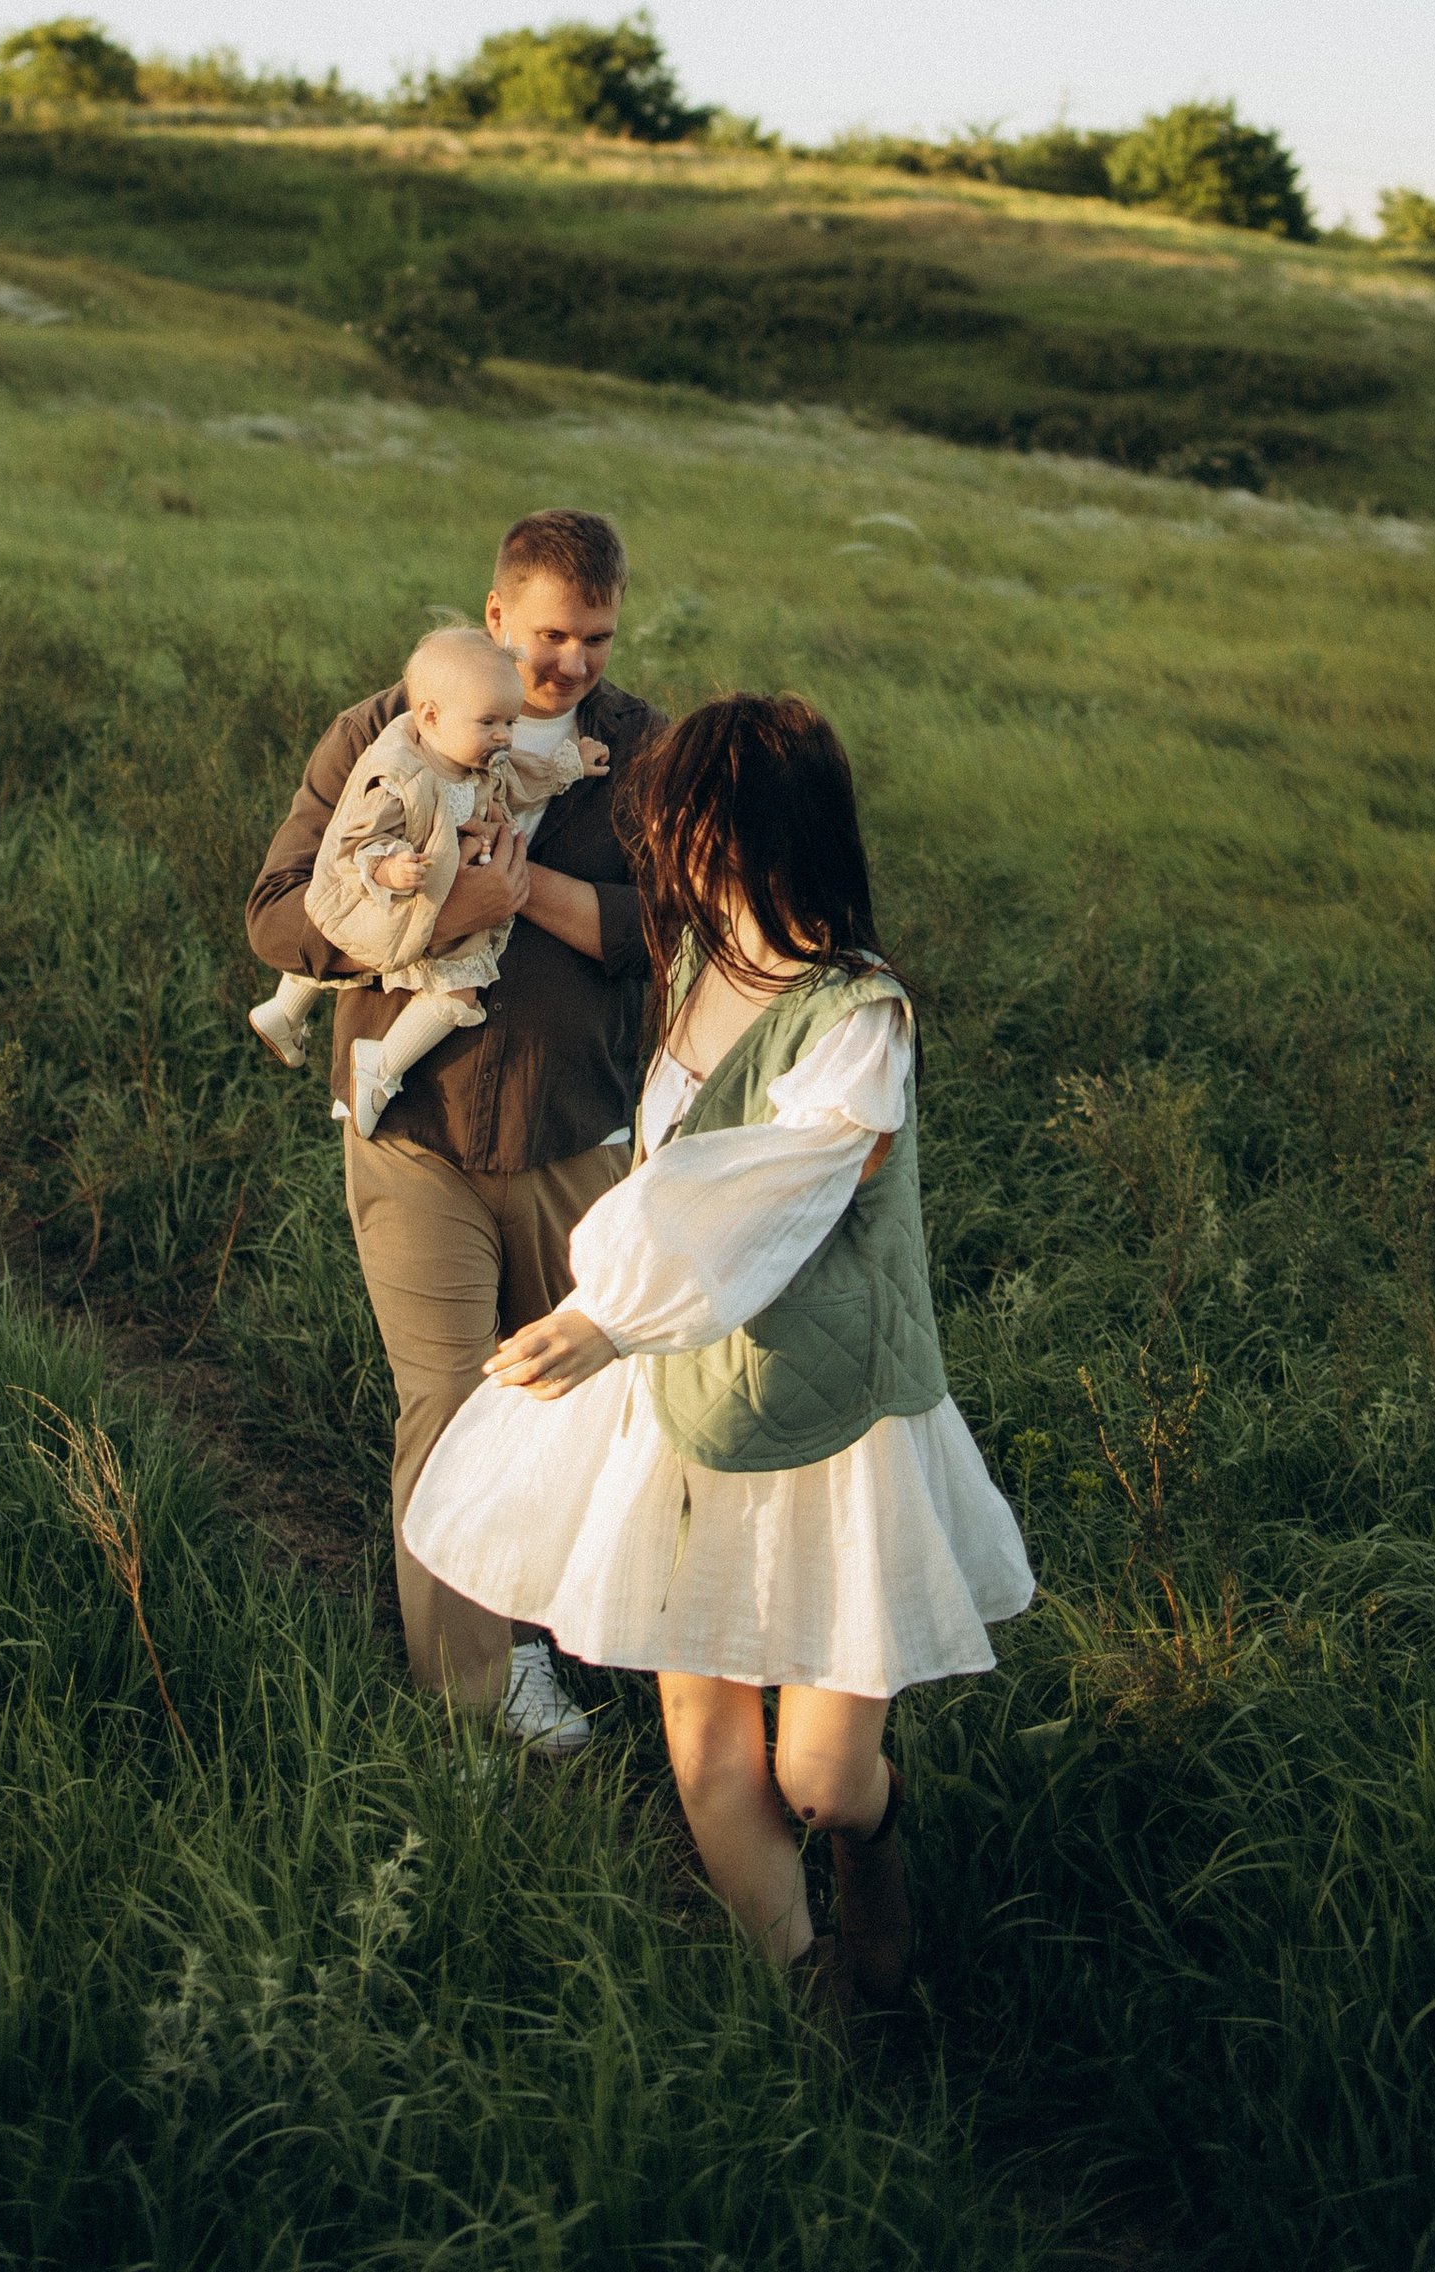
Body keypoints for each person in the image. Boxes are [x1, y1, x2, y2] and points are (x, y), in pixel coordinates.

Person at [402, 693, 1031, 2026]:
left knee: (818, 1773)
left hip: (835, 1424)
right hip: (685, 1407)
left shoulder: (860, 1016)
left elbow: (769, 1191)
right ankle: (818, 2014)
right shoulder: (695, 972)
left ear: (754, 838)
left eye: (686, 830)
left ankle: (871, 1830)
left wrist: (604, 1313)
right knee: (703, 1735)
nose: (667, 855)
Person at [244, 509, 662, 1747]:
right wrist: (426, 914)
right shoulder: (384, 728)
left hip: (574, 1129)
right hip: (412, 1126)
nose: (573, 663)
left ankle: (559, 1626)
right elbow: (277, 916)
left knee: (561, 1399)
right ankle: (475, 1693)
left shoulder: (639, 752)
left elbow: (675, 924)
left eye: (596, 638)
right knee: (443, 1401)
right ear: (495, 617)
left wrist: (520, 893)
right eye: (550, 634)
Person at [248, 626, 609, 1136]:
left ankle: (285, 1011)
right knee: (453, 990)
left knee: (370, 945)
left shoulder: (475, 762)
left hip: (422, 895)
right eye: (490, 722)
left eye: (510, 720)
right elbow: (359, 837)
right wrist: (388, 863)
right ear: (431, 716)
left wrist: (570, 766)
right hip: (394, 890)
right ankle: (380, 1066)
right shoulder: (401, 777)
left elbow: (522, 779)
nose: (505, 735)